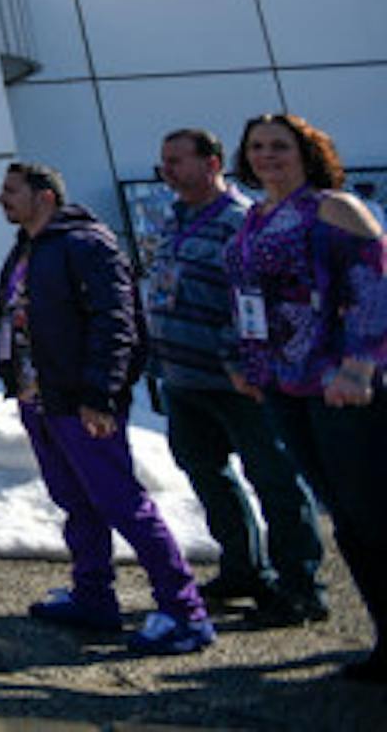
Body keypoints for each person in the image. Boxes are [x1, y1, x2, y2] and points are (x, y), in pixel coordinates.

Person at [0, 162, 213, 655]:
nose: (1, 199)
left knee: (122, 502)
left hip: (80, 401)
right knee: (76, 502)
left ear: (45, 196)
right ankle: (93, 597)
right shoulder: (30, 246)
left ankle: (184, 612)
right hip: (39, 397)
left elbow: (116, 322)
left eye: (10, 190)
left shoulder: (85, 244)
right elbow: (46, 309)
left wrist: (100, 396)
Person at [224, 113, 387, 682]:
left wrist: (359, 365)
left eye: (280, 146)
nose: (268, 156)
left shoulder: (333, 207)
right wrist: (250, 365)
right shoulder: (255, 218)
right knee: (345, 518)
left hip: (341, 385)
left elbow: (374, 286)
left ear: (307, 151)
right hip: (284, 387)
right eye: (257, 147)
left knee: (373, 512)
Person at [143, 127, 325, 625]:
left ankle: (301, 587)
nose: (168, 171)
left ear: (213, 163)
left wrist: (236, 356)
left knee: (274, 480)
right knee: (208, 476)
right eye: (164, 162)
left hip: (239, 382)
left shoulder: (238, 221)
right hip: (184, 380)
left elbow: (253, 301)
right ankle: (244, 569)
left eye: (178, 160)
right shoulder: (174, 218)